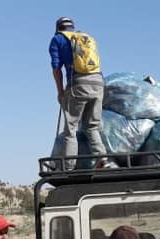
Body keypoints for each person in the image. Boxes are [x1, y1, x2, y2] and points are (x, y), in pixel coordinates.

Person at [49, 16, 114, 169]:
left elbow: (56, 68)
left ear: (58, 28)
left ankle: (69, 167)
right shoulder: (85, 38)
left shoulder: (58, 39)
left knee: (70, 129)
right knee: (92, 126)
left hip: (78, 84)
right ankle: (103, 160)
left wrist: (60, 92)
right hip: (98, 83)